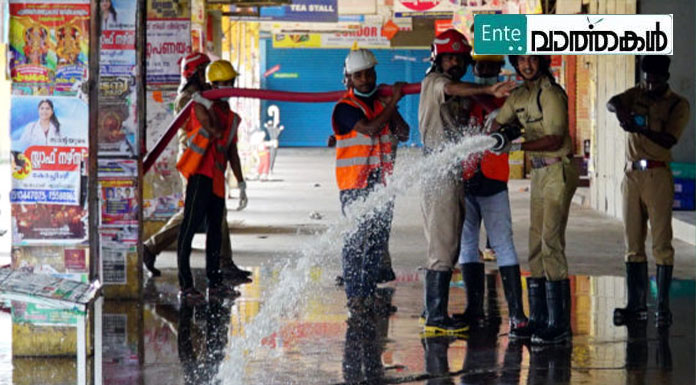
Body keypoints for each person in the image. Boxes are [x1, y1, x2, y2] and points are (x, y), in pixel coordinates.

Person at [418, 29, 514, 336]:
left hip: (450, 173)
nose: (454, 63)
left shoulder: (452, 87)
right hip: (440, 173)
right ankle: (435, 318)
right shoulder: (435, 82)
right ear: (437, 60)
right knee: (443, 247)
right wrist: (489, 91)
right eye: (448, 58)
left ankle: (433, 311)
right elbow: (453, 88)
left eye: (459, 59)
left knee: (447, 243)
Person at [491, 55, 579, 345]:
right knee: (535, 245)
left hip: (557, 169)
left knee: (551, 242)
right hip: (540, 173)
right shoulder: (519, 96)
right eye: (521, 61)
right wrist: (499, 132)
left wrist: (514, 143)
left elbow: (555, 138)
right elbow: (498, 123)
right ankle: (540, 319)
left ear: (541, 62)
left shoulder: (551, 94)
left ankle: (560, 324)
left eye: (532, 60)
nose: (526, 65)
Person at [142, 52, 250, 282]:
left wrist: (240, 181)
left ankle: (221, 263)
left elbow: (228, 143)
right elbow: (212, 131)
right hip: (196, 161)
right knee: (195, 216)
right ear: (196, 73)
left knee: (213, 214)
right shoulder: (190, 98)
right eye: (204, 70)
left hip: (212, 163)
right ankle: (155, 250)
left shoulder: (207, 97)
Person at [607, 55, 690, 329]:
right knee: (632, 244)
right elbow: (614, 101)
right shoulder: (637, 93)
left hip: (657, 174)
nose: (650, 84)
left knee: (661, 243)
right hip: (632, 174)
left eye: (655, 79)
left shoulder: (678, 104)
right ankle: (636, 305)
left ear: (665, 77)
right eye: (646, 79)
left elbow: (669, 139)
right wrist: (621, 112)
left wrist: (641, 127)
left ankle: (662, 308)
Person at [456, 52, 529, 338]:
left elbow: (516, 126)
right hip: (465, 180)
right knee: (467, 245)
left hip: (493, 181)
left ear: (501, 68)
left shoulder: (508, 99)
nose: (485, 70)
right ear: (473, 67)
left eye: (491, 66)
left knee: (503, 245)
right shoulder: (464, 96)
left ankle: (517, 314)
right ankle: (474, 308)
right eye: (480, 65)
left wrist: (508, 130)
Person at [331, 48, 408, 315]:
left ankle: (368, 294)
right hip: (355, 185)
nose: (365, 79)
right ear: (350, 79)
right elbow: (371, 128)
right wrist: (391, 102)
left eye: (369, 73)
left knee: (376, 241)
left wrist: (392, 105)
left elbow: (404, 132)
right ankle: (355, 297)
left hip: (382, 183)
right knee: (356, 241)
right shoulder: (345, 107)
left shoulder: (380, 105)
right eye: (359, 75)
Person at [175, 59, 245, 304]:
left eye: (231, 83)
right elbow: (213, 131)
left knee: (215, 232)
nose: (229, 87)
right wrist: (206, 101)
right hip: (199, 176)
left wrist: (241, 182)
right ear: (213, 84)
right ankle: (186, 286)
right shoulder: (198, 105)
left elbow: (232, 151)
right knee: (189, 228)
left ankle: (214, 283)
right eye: (224, 84)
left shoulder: (231, 116)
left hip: (216, 179)